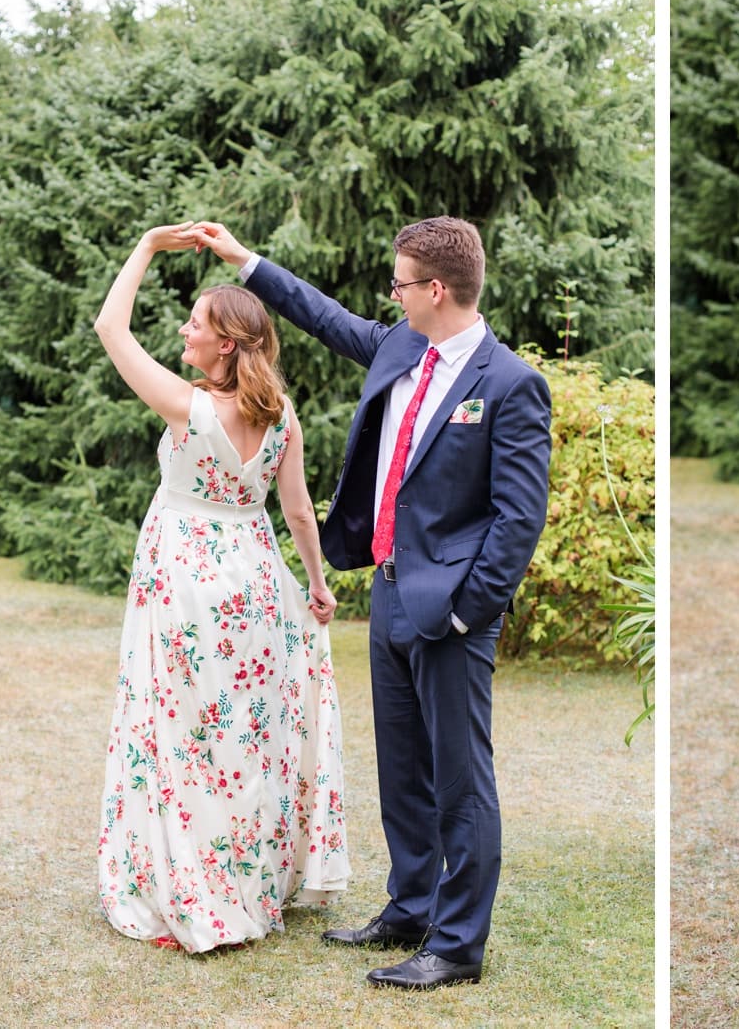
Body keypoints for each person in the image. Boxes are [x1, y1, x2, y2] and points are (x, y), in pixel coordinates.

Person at [184, 215, 552, 989]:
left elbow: (518, 520)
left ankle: (455, 946)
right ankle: (410, 905)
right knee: (404, 771)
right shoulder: (399, 346)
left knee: (461, 779)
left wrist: (464, 610)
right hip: (386, 596)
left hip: (450, 613)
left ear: (436, 289)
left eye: (400, 282)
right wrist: (243, 261)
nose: (392, 295)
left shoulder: (510, 384)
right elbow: (320, 315)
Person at [93, 222, 349, 953]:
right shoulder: (281, 416)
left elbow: (112, 327)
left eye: (196, 324)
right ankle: (245, 881)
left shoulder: (192, 408)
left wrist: (144, 245)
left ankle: (190, 890)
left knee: (181, 737)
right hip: (256, 578)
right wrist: (317, 584)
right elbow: (297, 511)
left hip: (185, 578)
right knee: (242, 737)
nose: (184, 330)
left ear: (226, 345)